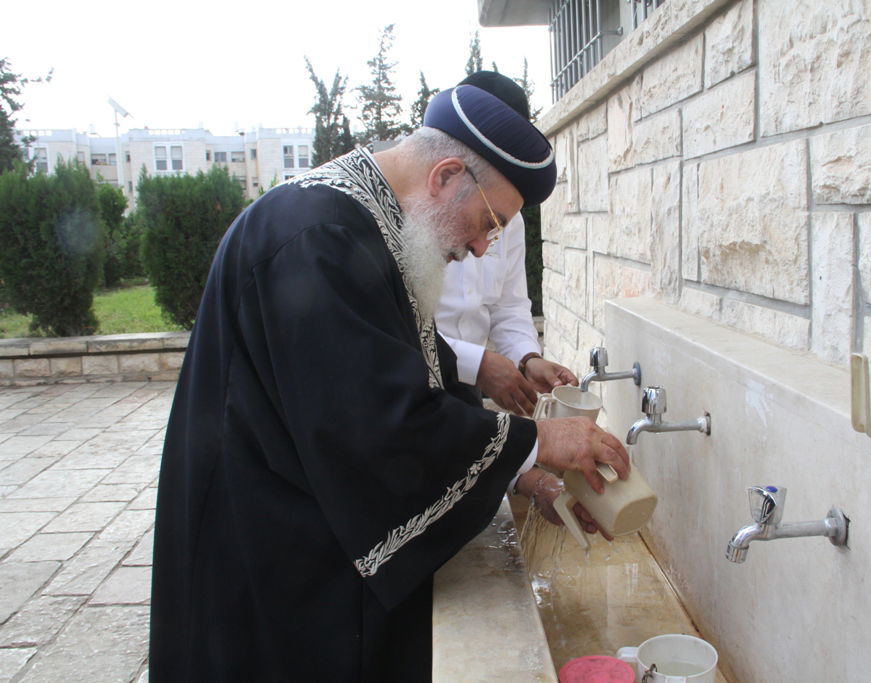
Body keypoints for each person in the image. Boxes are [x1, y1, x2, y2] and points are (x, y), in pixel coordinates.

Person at [149, 82, 630, 682]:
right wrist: (539, 440)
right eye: (487, 222)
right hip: (266, 560)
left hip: (295, 533)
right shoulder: (319, 237)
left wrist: (523, 473)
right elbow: (377, 429)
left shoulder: (366, 223)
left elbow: (414, 379)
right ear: (445, 175)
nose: (482, 247)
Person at [437, 71, 577, 418]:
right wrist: (479, 365)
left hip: (466, 391)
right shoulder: (418, 211)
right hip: (411, 389)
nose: (482, 246)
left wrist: (528, 359)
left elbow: (508, 306)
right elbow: (394, 334)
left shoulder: (509, 217)